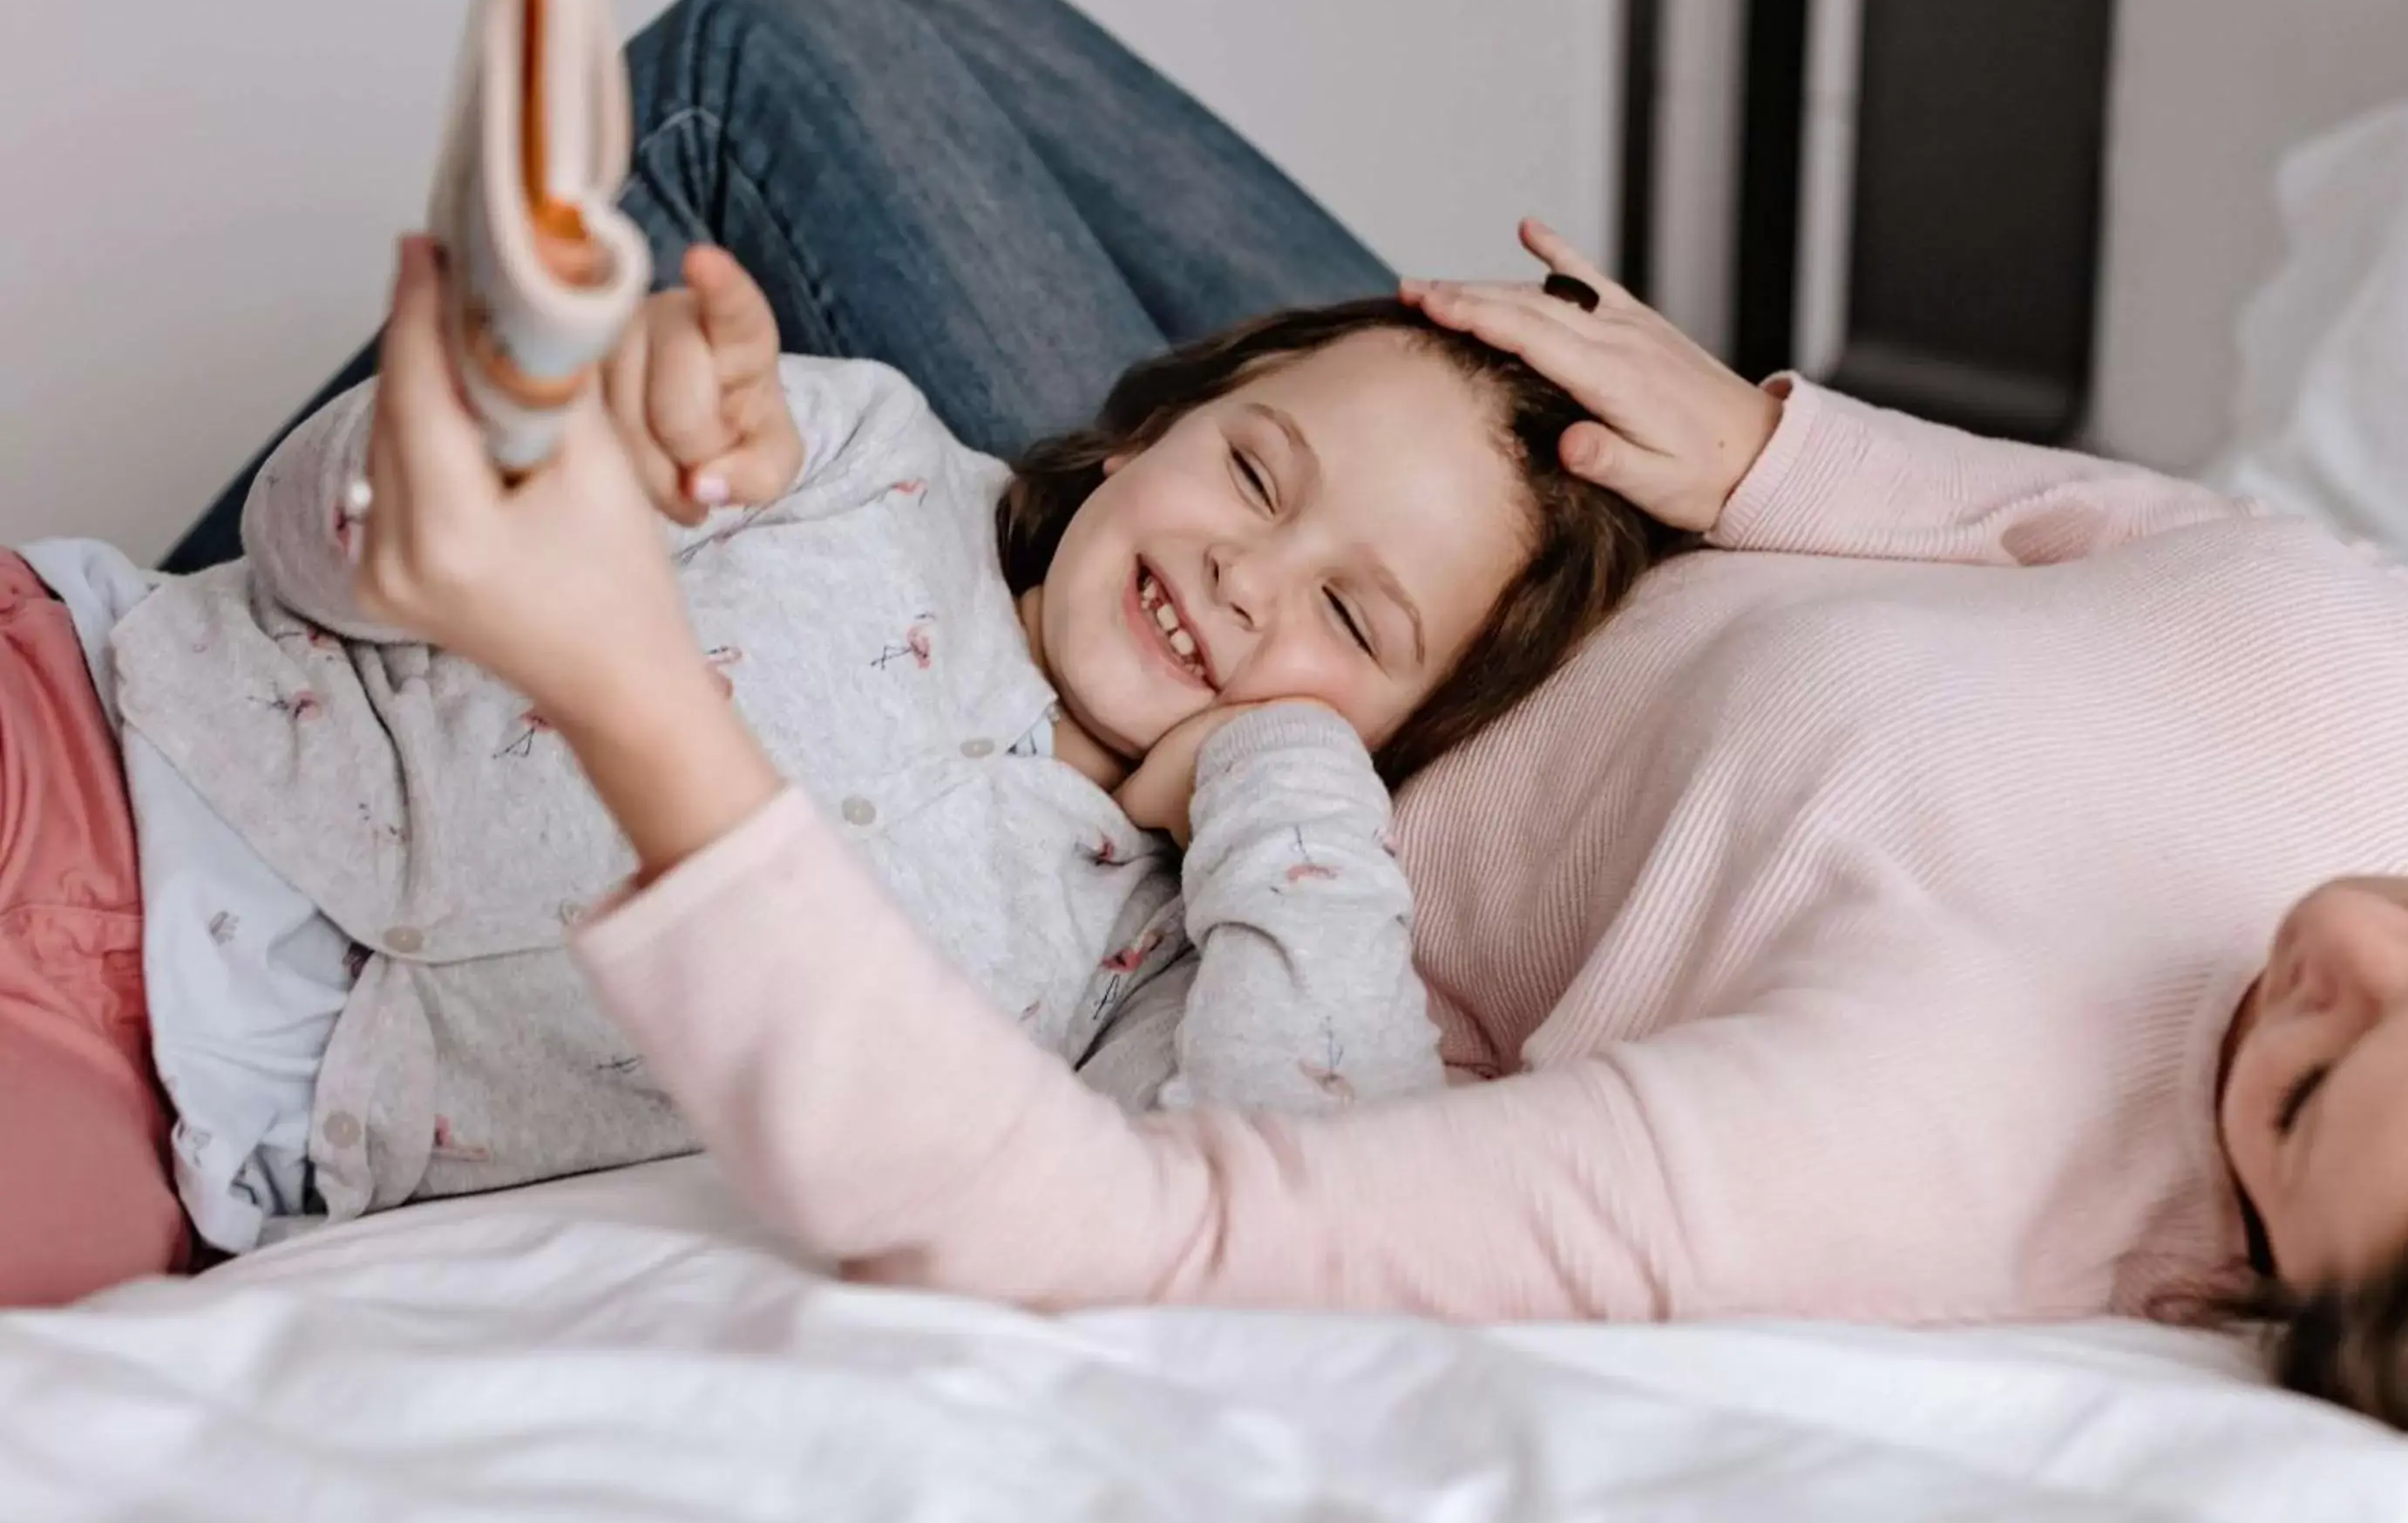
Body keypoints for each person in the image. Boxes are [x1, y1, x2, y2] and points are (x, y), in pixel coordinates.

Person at [318, 0, 2408, 1443]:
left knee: (763, 68)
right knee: (949, 13)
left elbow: (1197, 1232)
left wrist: (1278, 780)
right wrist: (1785, 457)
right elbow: (2194, 556)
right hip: (1602, 484)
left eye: (2315, 1089)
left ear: (2288, 1305)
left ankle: (297, 686)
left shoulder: (1932, 1161)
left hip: (1347, 660)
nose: (2341, 943)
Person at [3, 216, 1661, 1295]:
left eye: (1352, 625)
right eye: (1253, 472)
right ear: (1159, 423)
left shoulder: (1142, 965)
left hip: (185, 1119)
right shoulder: (844, 449)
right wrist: (539, 445)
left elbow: (1306, 1194)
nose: (1248, 572)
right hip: (95, 727)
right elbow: (310, 537)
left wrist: (1283, 779)